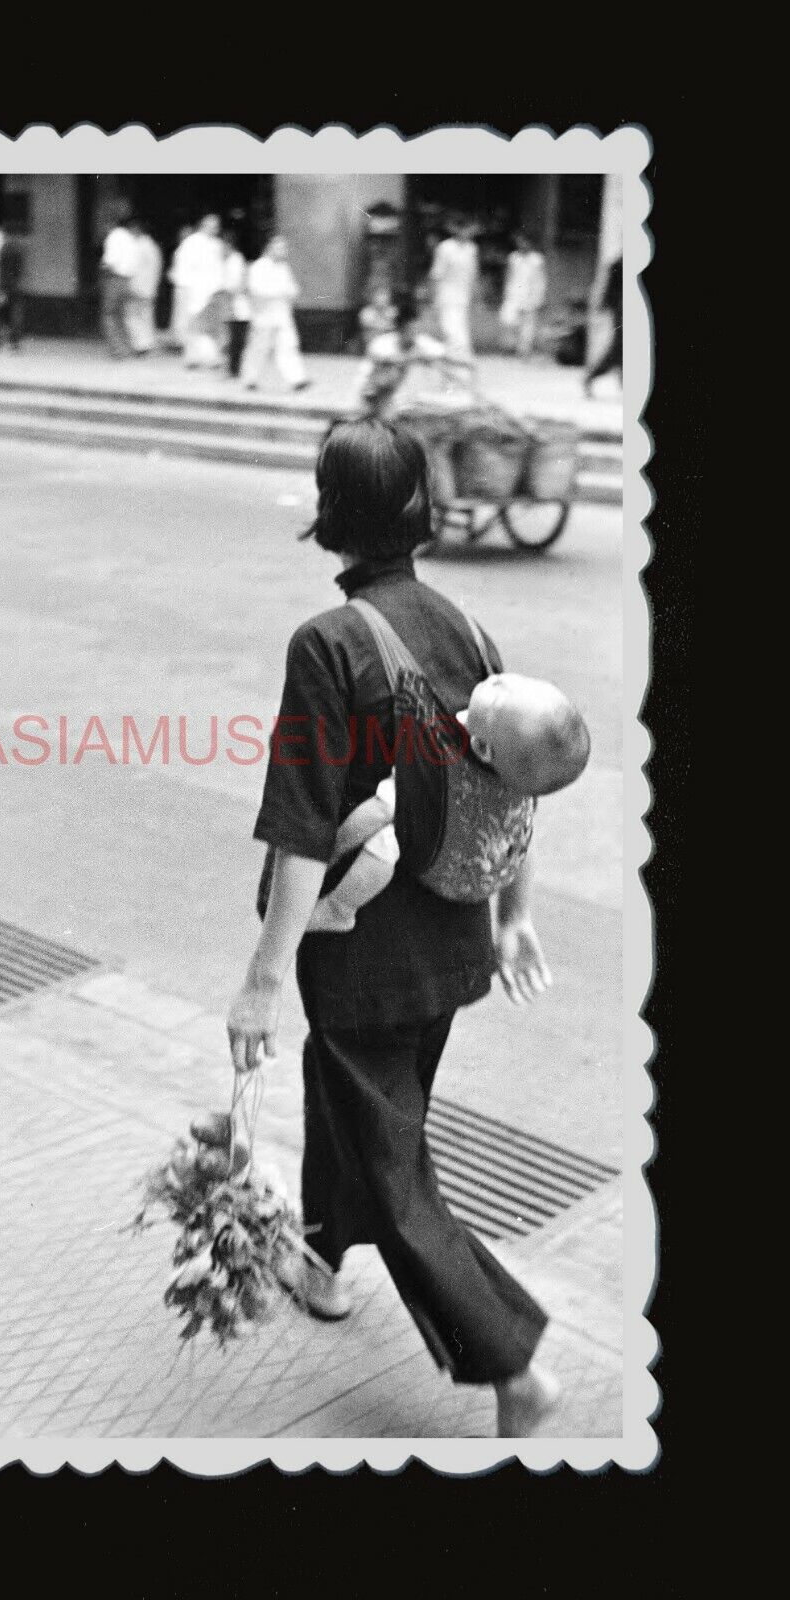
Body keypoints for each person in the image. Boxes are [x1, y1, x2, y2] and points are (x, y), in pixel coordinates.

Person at [228, 417, 562, 1438]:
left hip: (359, 953)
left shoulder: (326, 644)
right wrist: (512, 915)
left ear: (332, 518)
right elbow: (517, 786)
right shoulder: (467, 631)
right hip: (452, 944)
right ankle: (322, 1264)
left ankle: (511, 1362)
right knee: (367, 1115)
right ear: (417, 510)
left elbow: (298, 832)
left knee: (394, 1162)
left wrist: (261, 979)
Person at [306, 673, 591, 934]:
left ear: (481, 748)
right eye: (517, 682)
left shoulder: (440, 763)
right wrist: (515, 916)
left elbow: (380, 810)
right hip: (498, 870)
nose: (499, 680)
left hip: (449, 874)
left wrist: (333, 849)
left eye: (498, 700)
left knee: (386, 837)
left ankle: (340, 909)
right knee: (519, 829)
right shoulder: (520, 776)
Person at [240, 236, 310, 392]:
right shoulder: (258, 267)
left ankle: (297, 378)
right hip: (263, 315)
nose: (283, 252)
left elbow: (292, 289)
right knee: (258, 348)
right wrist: (280, 291)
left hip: (282, 315)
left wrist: (288, 292)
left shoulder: (283, 268)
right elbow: (257, 290)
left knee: (288, 346)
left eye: (284, 248)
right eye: (279, 248)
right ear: (269, 248)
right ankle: (250, 378)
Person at [169, 214, 226, 369]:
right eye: (211, 225)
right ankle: (195, 358)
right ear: (203, 225)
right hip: (193, 290)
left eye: (216, 226)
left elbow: (219, 268)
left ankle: (208, 357)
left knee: (210, 328)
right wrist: (186, 289)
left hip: (212, 291)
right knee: (193, 326)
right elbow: (183, 268)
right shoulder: (191, 243)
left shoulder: (217, 244)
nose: (214, 229)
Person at [429, 216, 479, 362]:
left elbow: (474, 274)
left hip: (464, 295)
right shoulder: (445, 248)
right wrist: (433, 298)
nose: (466, 232)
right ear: (456, 229)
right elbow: (436, 274)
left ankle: (461, 361)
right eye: (463, 228)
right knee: (450, 329)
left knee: (461, 329)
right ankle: (455, 360)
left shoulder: (472, 248)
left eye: (469, 229)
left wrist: (476, 295)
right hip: (446, 294)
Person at [500, 231, 548, 359]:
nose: (522, 244)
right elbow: (509, 276)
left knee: (528, 325)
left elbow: (541, 280)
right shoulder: (514, 257)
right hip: (514, 293)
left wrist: (539, 297)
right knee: (509, 320)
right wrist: (506, 292)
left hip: (531, 294)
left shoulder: (537, 259)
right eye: (520, 242)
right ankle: (510, 347)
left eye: (525, 242)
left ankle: (524, 351)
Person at [100, 212, 140, 359]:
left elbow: (110, 261)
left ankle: (117, 350)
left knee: (109, 315)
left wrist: (103, 269)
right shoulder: (130, 238)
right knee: (121, 315)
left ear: (109, 224)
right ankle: (128, 348)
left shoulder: (114, 237)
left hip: (114, 279)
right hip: (128, 280)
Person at [584, 257, 623, 396]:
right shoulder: (619, 263)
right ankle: (590, 377)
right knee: (619, 348)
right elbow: (610, 288)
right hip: (622, 309)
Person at [125, 220, 163, 356]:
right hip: (148, 287)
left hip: (138, 286)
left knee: (134, 316)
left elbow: (133, 268)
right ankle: (146, 343)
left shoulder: (140, 246)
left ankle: (139, 345)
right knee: (145, 316)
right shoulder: (152, 246)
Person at [221, 230, 251, 378]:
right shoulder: (229, 260)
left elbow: (237, 284)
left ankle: (234, 369)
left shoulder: (235, 260)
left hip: (237, 305)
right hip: (233, 304)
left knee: (236, 339)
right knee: (234, 339)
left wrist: (230, 300)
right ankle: (233, 369)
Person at [0, 232, 25, 352]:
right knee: (15, 314)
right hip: (14, 287)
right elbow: (19, 270)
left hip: (2, 286)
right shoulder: (18, 251)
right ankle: (14, 343)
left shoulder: (3, 250)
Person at [166, 225, 194, 352]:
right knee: (180, 315)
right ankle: (179, 341)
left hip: (185, 286)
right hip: (181, 285)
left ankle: (181, 343)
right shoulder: (182, 249)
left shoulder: (187, 249)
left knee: (183, 316)